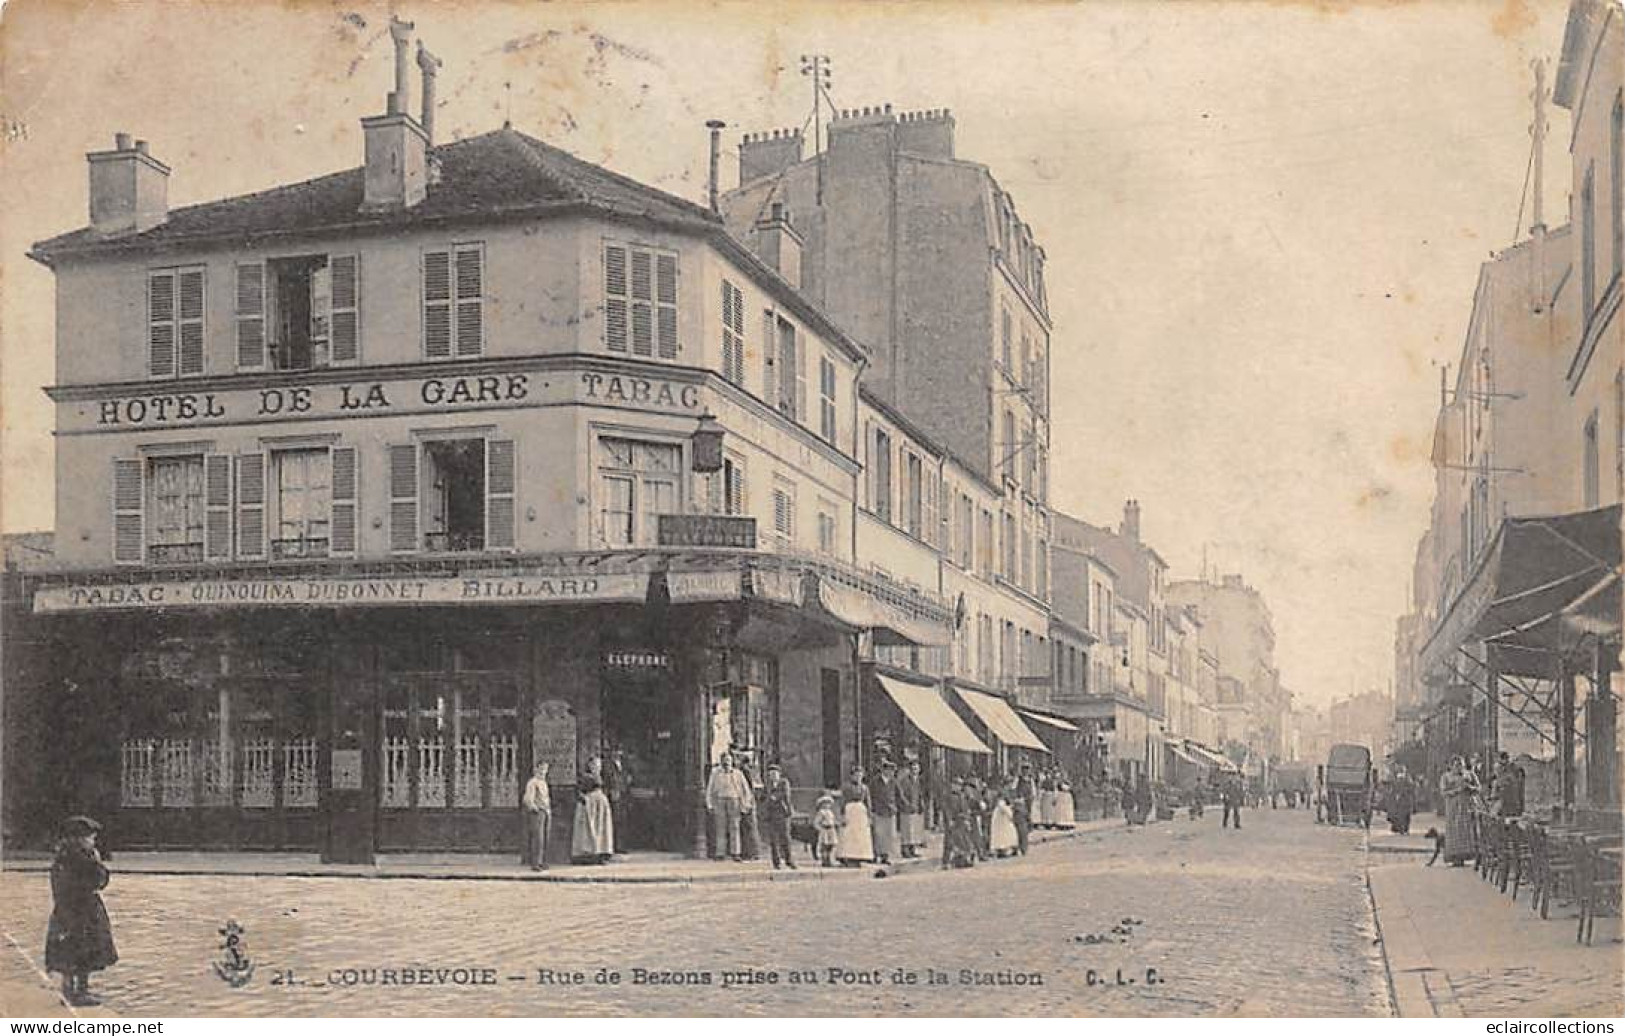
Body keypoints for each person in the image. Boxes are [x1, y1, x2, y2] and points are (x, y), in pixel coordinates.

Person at [45, 816, 117, 1007]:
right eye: (90, 838)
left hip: (68, 910)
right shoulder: (82, 859)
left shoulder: (64, 857)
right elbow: (99, 880)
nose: (92, 841)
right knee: (82, 949)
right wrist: (98, 863)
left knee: (72, 950)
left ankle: (70, 990)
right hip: (82, 911)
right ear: (78, 839)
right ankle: (78, 992)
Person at [705, 752, 752, 861]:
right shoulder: (715, 773)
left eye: (729, 761)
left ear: (732, 762)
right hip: (720, 800)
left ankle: (735, 853)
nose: (727, 763)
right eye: (725, 761)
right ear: (721, 761)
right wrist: (709, 804)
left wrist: (745, 804)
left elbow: (746, 790)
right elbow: (710, 789)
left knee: (734, 827)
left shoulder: (738, 774)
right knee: (720, 827)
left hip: (734, 800)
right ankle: (720, 853)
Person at [571, 756, 614, 864]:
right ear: (589, 765)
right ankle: (587, 854)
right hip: (589, 803)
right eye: (594, 764)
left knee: (602, 828)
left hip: (600, 803)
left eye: (598, 765)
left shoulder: (604, 775)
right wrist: (583, 797)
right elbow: (579, 790)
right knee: (588, 828)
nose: (596, 767)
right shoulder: (585, 777)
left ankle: (602, 852)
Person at [1439, 756, 1477, 867]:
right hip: (1453, 807)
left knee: (1465, 829)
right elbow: (1443, 792)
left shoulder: (1470, 774)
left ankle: (1466, 855)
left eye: (1461, 765)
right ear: (1451, 766)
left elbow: (1478, 788)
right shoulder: (1446, 776)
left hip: (1466, 806)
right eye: (1456, 765)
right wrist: (1457, 791)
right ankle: (1454, 857)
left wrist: (1470, 788)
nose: (1459, 767)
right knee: (1454, 830)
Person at [760, 762, 796, 870]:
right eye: (771, 774)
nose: (773, 776)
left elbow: (785, 795)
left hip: (782, 813)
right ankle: (776, 862)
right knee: (773, 839)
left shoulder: (784, 783)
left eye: (775, 773)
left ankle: (789, 860)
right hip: (771, 814)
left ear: (779, 774)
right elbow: (763, 797)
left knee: (785, 837)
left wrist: (774, 797)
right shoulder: (767, 785)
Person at [836, 764, 874, 866]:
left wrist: (869, 816)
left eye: (860, 775)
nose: (858, 777)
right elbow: (842, 801)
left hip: (861, 812)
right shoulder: (846, 787)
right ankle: (847, 856)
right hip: (850, 811)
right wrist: (842, 815)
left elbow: (868, 802)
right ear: (852, 776)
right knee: (849, 834)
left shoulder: (865, 788)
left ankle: (860, 856)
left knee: (860, 834)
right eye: (856, 775)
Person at [868, 760, 901, 865]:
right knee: (878, 834)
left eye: (892, 771)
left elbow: (899, 795)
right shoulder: (875, 781)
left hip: (890, 811)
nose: (891, 773)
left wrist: (899, 806)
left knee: (889, 835)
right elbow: (870, 796)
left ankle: (885, 856)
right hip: (878, 811)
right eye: (889, 770)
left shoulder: (894, 781)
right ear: (884, 770)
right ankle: (875, 855)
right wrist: (871, 809)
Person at [521, 761, 552, 870]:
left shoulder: (543, 783)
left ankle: (543, 861)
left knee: (545, 838)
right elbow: (528, 799)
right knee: (538, 838)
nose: (544, 771)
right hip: (537, 812)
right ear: (536, 769)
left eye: (545, 769)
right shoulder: (532, 782)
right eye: (542, 768)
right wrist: (534, 808)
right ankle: (535, 863)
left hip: (546, 811)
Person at [897, 758, 926, 858]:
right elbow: (902, 794)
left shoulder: (918, 780)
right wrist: (907, 804)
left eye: (917, 768)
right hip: (907, 808)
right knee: (906, 830)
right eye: (913, 768)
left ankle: (912, 849)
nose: (915, 770)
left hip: (916, 807)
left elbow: (920, 794)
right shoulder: (905, 780)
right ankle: (905, 850)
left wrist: (921, 804)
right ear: (910, 769)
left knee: (914, 829)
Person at [603, 749, 631, 854]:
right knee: (615, 820)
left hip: (623, 795)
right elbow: (609, 780)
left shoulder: (625, 766)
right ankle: (614, 846)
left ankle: (621, 845)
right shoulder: (609, 766)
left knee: (622, 820)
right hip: (614, 795)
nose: (618, 754)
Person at [1012, 766, 1037, 855]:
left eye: (1027, 769)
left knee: (1026, 824)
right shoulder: (1018, 780)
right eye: (1024, 769)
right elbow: (1013, 789)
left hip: (1028, 803)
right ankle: (1020, 845)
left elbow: (1034, 792)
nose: (1026, 771)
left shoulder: (1031, 780)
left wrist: (1031, 799)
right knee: (1019, 825)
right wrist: (1017, 798)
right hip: (1019, 803)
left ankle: (1024, 845)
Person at [1494, 752, 1526, 818]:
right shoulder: (1499, 767)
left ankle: (1514, 814)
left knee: (1513, 801)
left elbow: (1520, 773)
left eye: (1506, 759)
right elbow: (1499, 778)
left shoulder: (1512, 766)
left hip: (1511, 789)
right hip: (1505, 789)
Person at [989, 788, 1019, 857]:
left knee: (1003, 835)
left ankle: (1002, 850)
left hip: (1001, 822)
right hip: (1002, 823)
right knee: (1005, 835)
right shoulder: (1001, 803)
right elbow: (1007, 812)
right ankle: (1004, 850)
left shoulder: (999, 804)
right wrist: (1011, 814)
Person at [813, 792, 840, 867]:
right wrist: (820, 829)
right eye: (825, 803)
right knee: (824, 845)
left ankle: (830, 859)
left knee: (831, 845)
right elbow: (816, 822)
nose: (827, 805)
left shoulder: (830, 812)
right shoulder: (821, 812)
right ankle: (824, 860)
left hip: (831, 830)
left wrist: (835, 824)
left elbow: (832, 820)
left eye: (828, 803)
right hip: (825, 830)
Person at [1386, 768, 1415, 835]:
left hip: (1405, 803)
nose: (1400, 781)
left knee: (1405, 817)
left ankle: (1404, 829)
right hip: (1400, 803)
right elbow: (1392, 793)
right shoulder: (1396, 784)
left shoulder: (1407, 783)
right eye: (1399, 779)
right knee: (1401, 817)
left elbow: (1411, 792)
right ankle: (1402, 829)